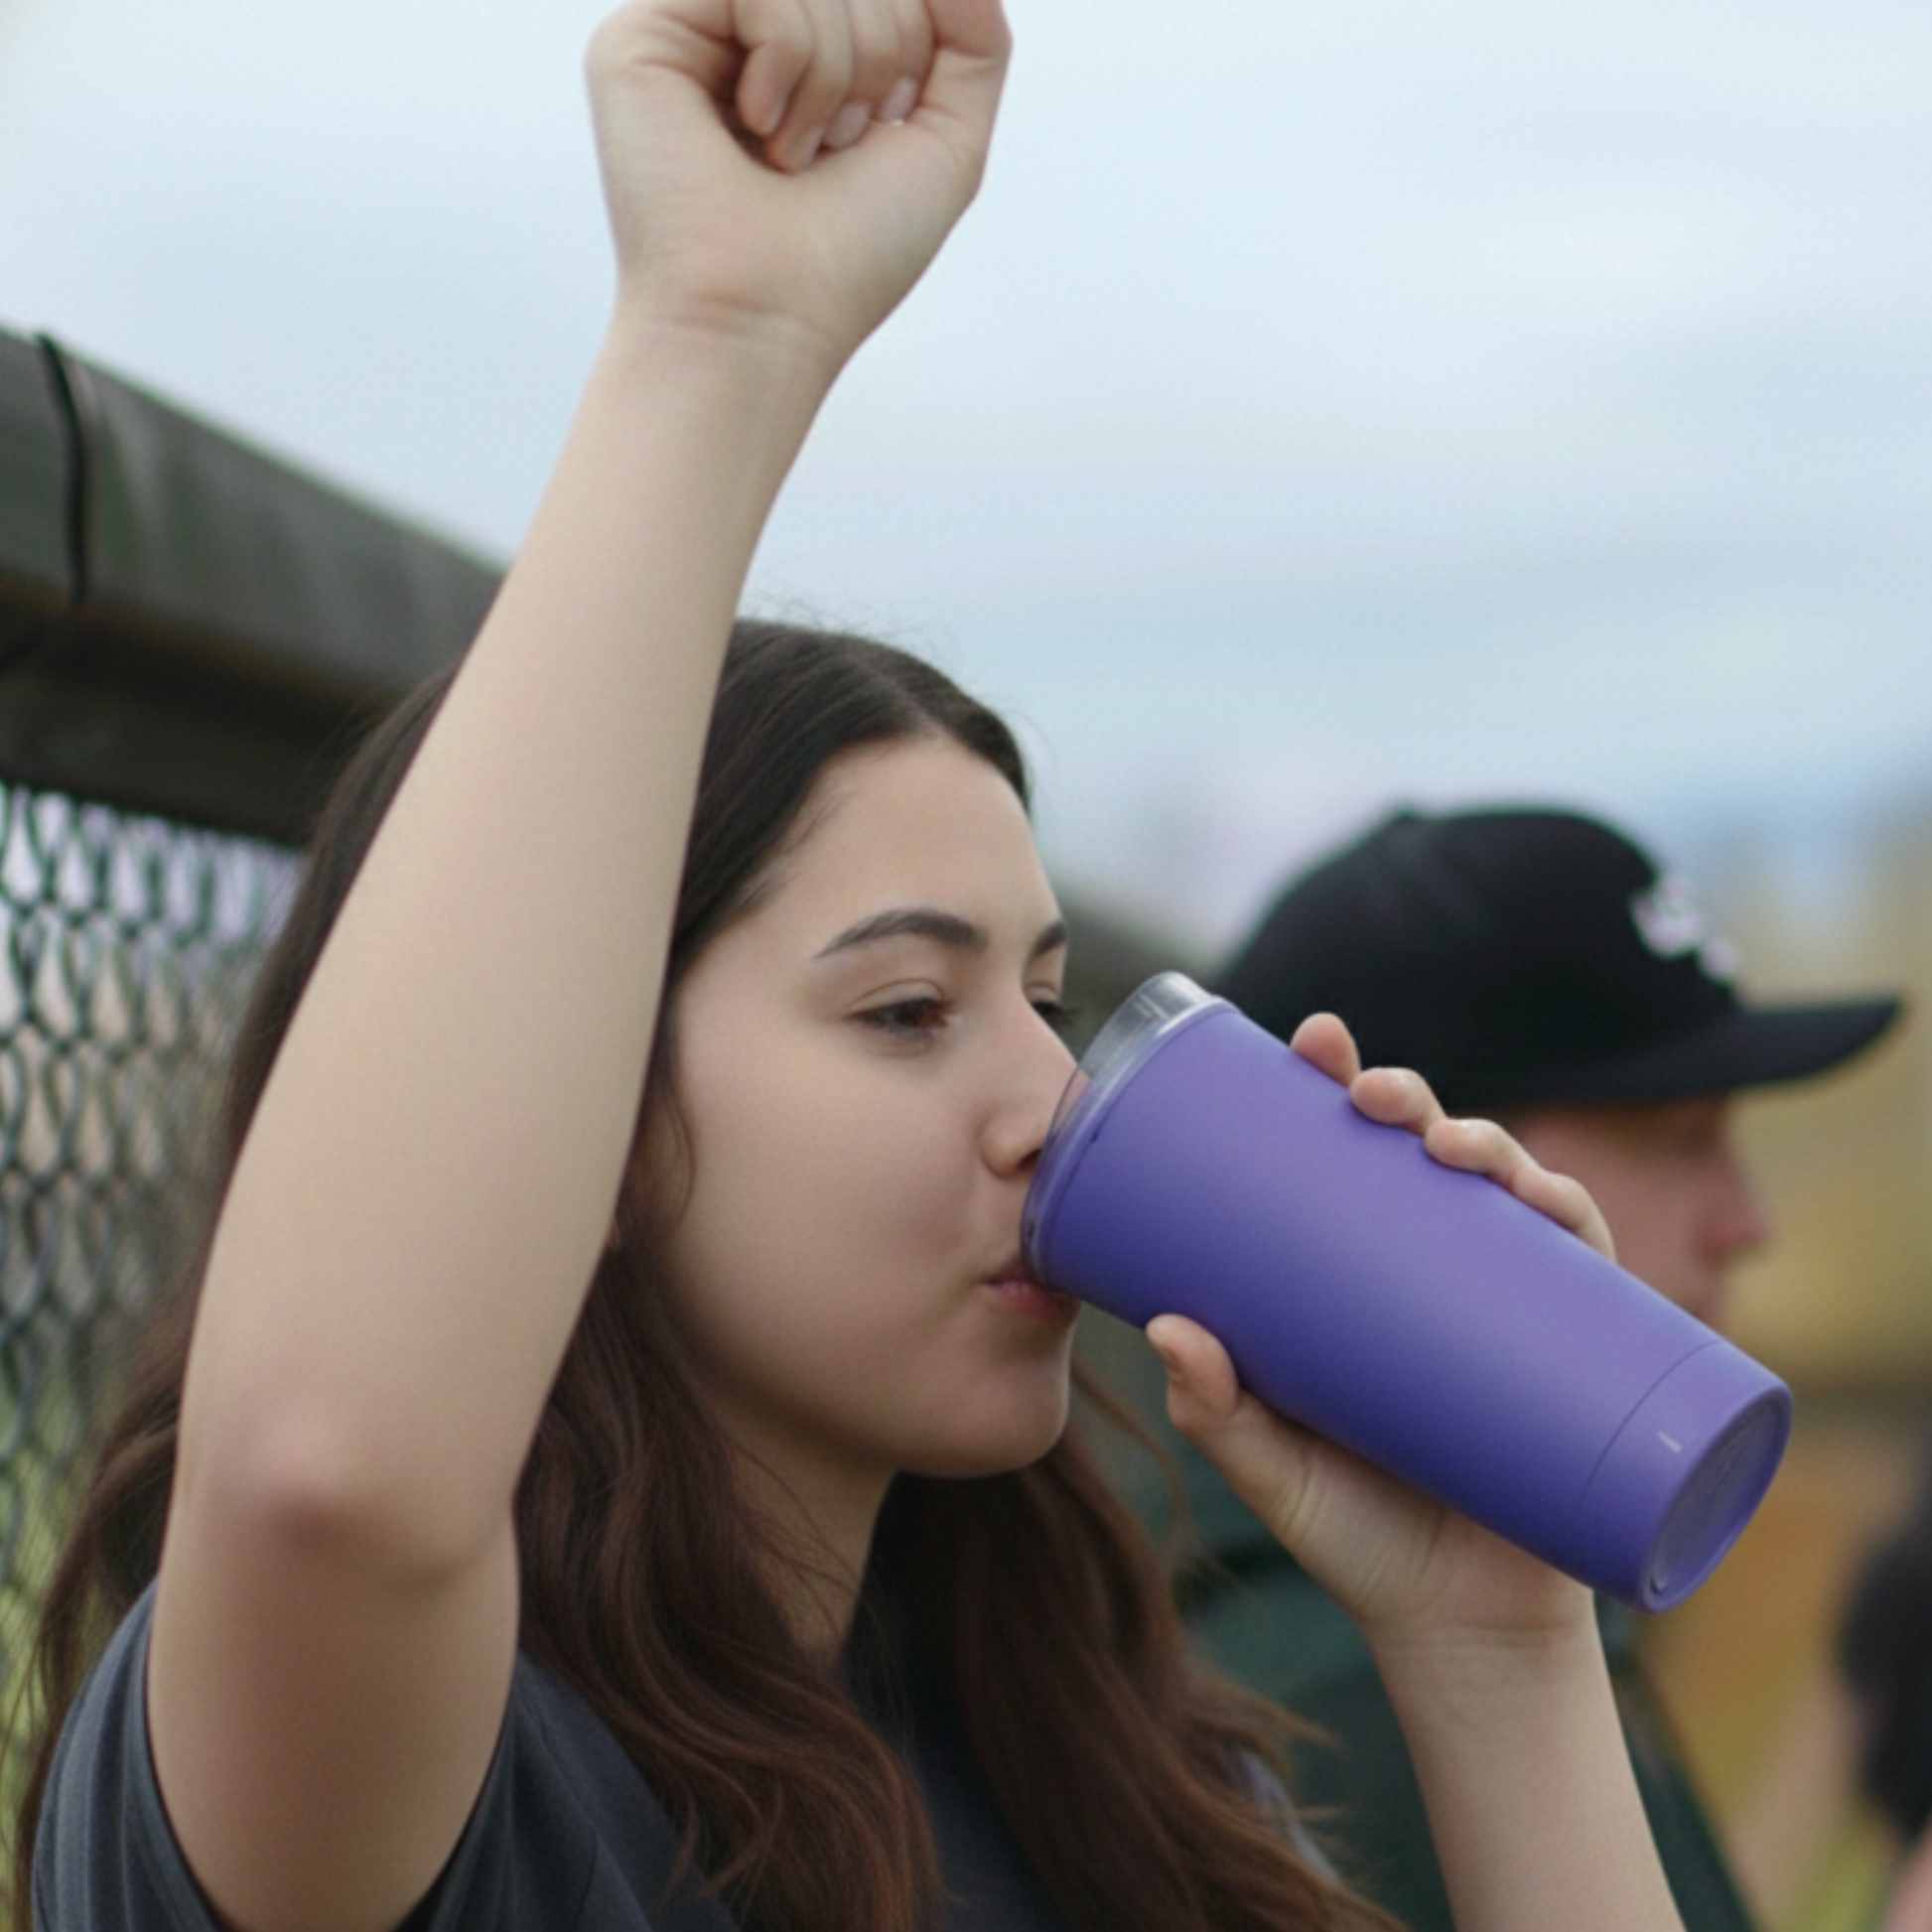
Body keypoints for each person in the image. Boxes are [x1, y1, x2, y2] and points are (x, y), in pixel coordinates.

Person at [10, 8, 1696, 1930]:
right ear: (588, 1108)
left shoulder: (1115, 1772)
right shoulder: (417, 1789)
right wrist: (717, 331)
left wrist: (1498, 1649)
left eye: (1044, 999)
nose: (1053, 1100)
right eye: (906, 1010)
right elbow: (332, 1466)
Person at [1171, 803, 1903, 1932]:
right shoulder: (1350, 1703)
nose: (1744, 1220)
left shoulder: (1496, 1585)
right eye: (1678, 1139)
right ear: (1434, 1166)